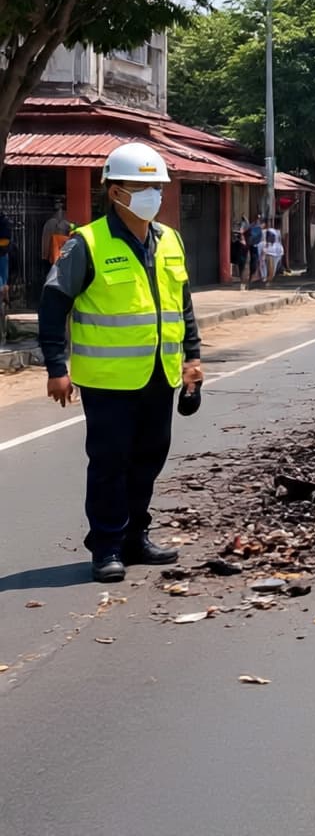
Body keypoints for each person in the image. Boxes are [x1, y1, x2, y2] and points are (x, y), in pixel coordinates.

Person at [38, 143, 203, 583]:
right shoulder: (86, 243)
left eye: (157, 186)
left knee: (150, 458)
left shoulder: (170, 239)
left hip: (159, 372)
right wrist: (56, 367)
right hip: (108, 380)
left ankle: (135, 537)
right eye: (142, 186)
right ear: (115, 192)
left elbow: (181, 305)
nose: (153, 194)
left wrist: (193, 357)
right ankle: (106, 545)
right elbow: (53, 305)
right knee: (111, 462)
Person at [42, 200, 73, 267]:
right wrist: (45, 255)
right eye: (56, 203)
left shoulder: (67, 221)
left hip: (64, 252)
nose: (58, 205)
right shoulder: (50, 222)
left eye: (59, 203)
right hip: (55, 253)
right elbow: (46, 239)